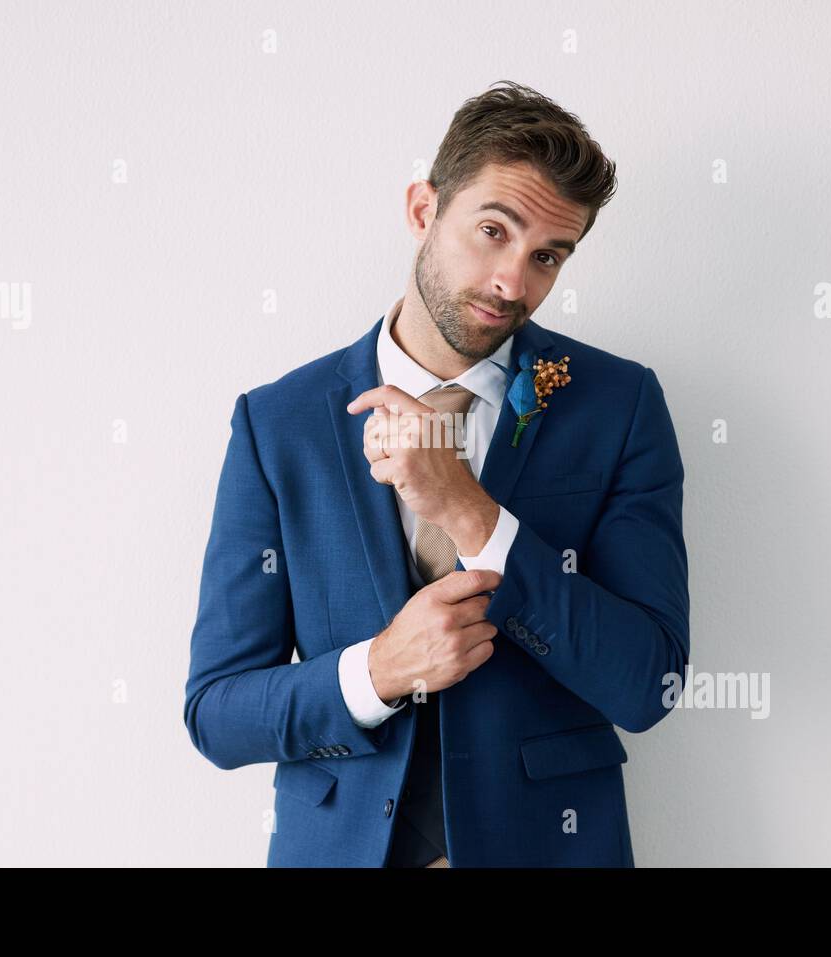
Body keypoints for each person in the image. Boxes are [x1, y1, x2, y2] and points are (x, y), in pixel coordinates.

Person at [183, 81, 689, 867]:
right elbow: (216, 713)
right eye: (494, 231)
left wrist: (475, 517)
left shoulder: (618, 406)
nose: (512, 283)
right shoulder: (277, 423)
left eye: (546, 256)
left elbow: (646, 683)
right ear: (424, 209)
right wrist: (376, 671)